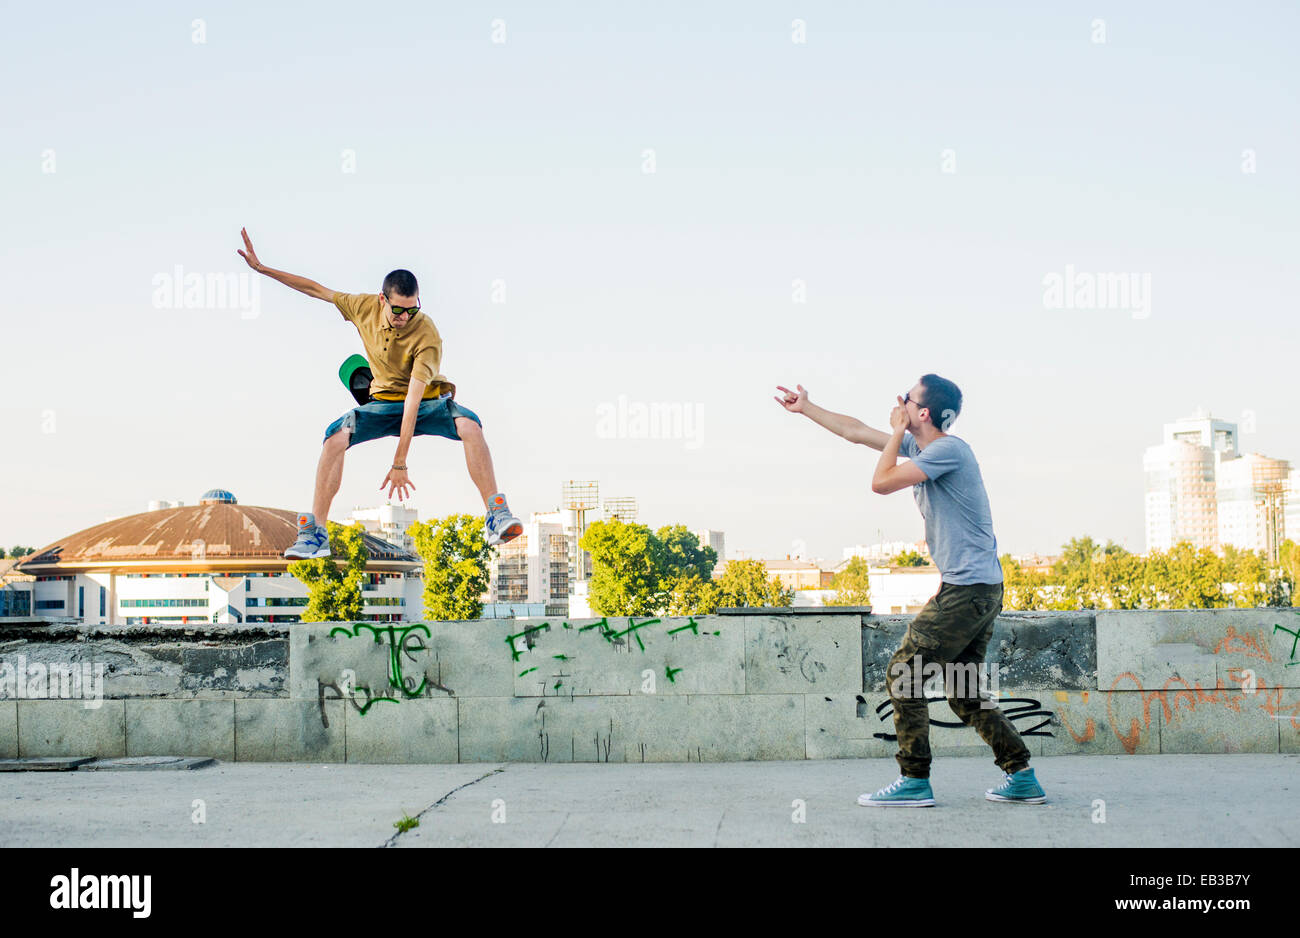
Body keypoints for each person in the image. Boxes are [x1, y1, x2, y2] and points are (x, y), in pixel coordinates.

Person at [775, 376, 1045, 806]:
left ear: (923, 413)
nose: (898, 401)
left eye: (907, 398)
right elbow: (856, 431)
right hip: (977, 586)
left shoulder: (947, 450)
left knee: (904, 674)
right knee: (964, 690)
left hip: (968, 590)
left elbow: (880, 483)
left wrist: (897, 430)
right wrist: (807, 407)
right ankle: (1022, 776)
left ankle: (914, 780)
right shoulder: (927, 449)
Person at [237, 228, 522, 559]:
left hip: (426, 402)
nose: (405, 318)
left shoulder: (427, 333)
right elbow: (315, 289)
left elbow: (413, 403)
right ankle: (317, 533)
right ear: (382, 300)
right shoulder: (362, 307)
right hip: (381, 405)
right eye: (398, 310)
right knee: (334, 439)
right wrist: (263, 269)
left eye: (412, 310)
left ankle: (495, 513)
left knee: (471, 426)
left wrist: (400, 462)